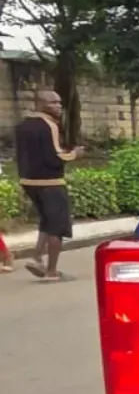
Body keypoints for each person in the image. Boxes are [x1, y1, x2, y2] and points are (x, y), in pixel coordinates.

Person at [15, 90, 82, 281]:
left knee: (47, 221)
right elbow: (54, 157)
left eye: (59, 103)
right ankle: (52, 272)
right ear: (41, 104)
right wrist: (75, 154)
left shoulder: (23, 125)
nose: (59, 106)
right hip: (50, 182)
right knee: (58, 226)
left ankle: (37, 258)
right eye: (54, 103)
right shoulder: (49, 125)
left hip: (28, 181)